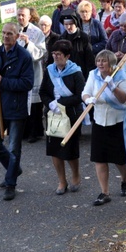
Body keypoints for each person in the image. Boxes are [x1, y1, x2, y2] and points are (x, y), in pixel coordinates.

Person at [0, 22, 34, 201]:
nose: (6, 36)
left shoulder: (24, 56)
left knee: (14, 147)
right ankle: (14, 168)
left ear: (17, 36)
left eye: (10, 34)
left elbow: (27, 83)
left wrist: (3, 81)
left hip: (16, 108)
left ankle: (11, 182)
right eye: (4, 33)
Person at [83, 50, 126, 206]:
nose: (100, 64)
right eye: (98, 60)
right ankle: (105, 192)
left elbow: (125, 99)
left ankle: (125, 179)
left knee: (119, 159)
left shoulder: (120, 77)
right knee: (99, 159)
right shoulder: (93, 75)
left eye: (104, 61)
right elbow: (85, 92)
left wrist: (113, 87)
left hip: (117, 122)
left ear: (111, 64)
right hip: (99, 121)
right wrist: (88, 100)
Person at [39, 40, 86, 195]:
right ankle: (61, 180)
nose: (55, 57)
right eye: (54, 54)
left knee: (70, 149)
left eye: (59, 54)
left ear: (67, 56)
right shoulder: (49, 70)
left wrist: (61, 103)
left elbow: (80, 96)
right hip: (53, 115)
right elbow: (43, 91)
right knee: (54, 150)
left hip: (71, 115)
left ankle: (76, 175)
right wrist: (50, 104)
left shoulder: (76, 73)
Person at [17, 7, 47, 143]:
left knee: (34, 104)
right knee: (21, 103)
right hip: (18, 73)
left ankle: (35, 132)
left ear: (29, 17)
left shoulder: (37, 32)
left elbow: (41, 53)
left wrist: (28, 43)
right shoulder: (14, 30)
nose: (21, 18)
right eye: (19, 15)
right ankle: (23, 132)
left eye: (23, 15)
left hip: (33, 72)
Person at [57, 10, 96, 78]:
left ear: (76, 23)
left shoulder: (84, 37)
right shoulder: (62, 38)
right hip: (66, 74)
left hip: (81, 74)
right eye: (66, 24)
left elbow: (90, 59)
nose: (68, 27)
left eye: (71, 24)